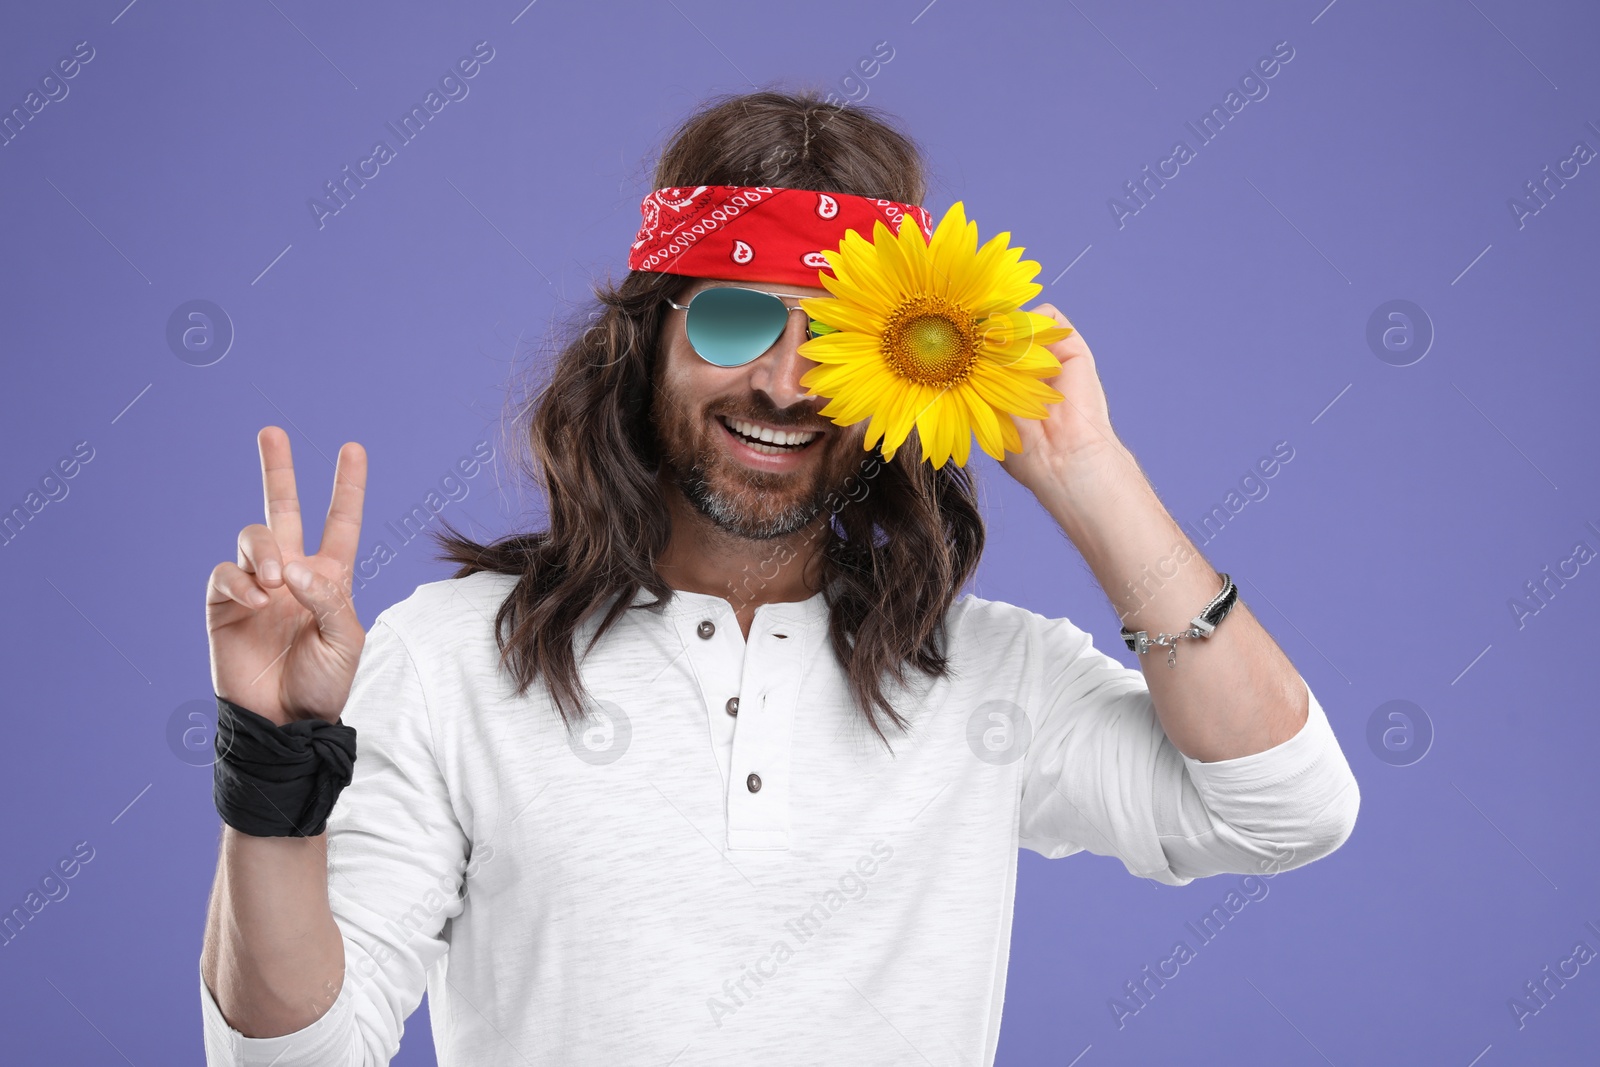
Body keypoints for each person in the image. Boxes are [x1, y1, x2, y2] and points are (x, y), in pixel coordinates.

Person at [198, 89, 1359, 1066]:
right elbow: (294, 1054)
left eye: (835, 337)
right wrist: (274, 761)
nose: (786, 382)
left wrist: (1090, 472)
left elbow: (1288, 811)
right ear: (645, 342)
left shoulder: (992, 677)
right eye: (739, 317)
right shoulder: (452, 654)